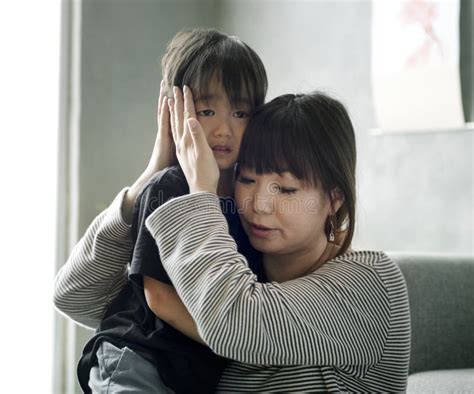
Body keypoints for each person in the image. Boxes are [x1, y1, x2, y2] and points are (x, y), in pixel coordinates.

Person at [55, 85, 411, 392]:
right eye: (247, 179)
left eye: (286, 189)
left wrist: (201, 194)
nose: (259, 204)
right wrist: (150, 178)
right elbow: (77, 297)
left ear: (334, 198)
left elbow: (234, 324)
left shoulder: (371, 282)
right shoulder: (239, 267)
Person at [54, 28, 267, 393]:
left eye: (241, 112)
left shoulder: (251, 200)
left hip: (186, 371)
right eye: (207, 110)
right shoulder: (167, 187)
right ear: (173, 110)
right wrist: (237, 344)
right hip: (137, 357)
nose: (224, 129)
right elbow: (156, 296)